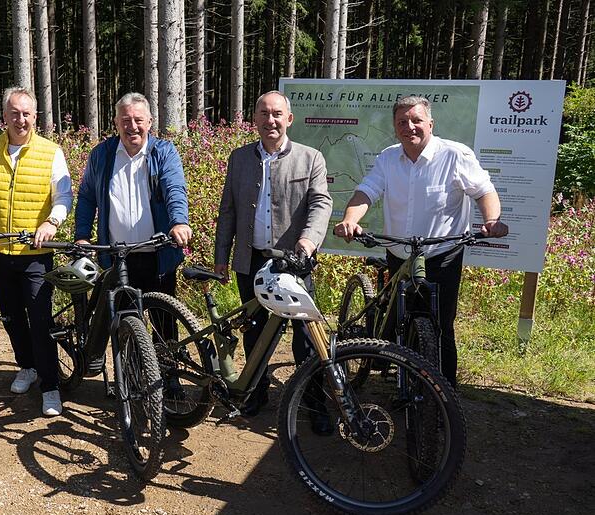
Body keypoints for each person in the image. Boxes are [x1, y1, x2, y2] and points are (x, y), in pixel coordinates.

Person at [334, 95, 509, 388]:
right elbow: (367, 191)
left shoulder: (455, 155)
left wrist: (490, 220)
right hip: (399, 252)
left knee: (440, 327)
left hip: (442, 254)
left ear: (431, 123)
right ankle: (391, 362)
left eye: (416, 120)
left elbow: (483, 191)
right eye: (402, 122)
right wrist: (351, 219)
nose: (409, 127)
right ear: (395, 126)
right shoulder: (388, 157)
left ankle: (444, 396)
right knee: (398, 316)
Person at [213, 91, 332, 421]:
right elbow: (228, 211)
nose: (271, 120)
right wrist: (221, 255)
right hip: (250, 260)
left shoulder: (311, 159)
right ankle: (255, 392)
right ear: (255, 119)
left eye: (277, 114)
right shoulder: (239, 158)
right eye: (264, 114)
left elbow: (321, 205)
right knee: (254, 330)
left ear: (289, 119)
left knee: (305, 336)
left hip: (293, 261)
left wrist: (306, 245)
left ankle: (314, 402)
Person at [0, 87, 72, 416]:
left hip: (36, 253)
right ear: (4, 117)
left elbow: (64, 195)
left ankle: (50, 386)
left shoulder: (51, 152)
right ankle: (27, 367)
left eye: (27, 113)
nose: (21, 119)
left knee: (41, 320)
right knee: (13, 318)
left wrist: (52, 222)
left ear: (35, 117)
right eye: (14, 113)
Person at [74, 92, 192, 299]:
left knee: (163, 325)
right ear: (116, 123)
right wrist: (82, 236)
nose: (132, 126)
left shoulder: (164, 152)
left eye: (138, 120)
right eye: (126, 120)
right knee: (122, 324)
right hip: (117, 257)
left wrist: (179, 222)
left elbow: (174, 189)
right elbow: (87, 197)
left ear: (149, 122)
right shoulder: (101, 154)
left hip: (158, 255)